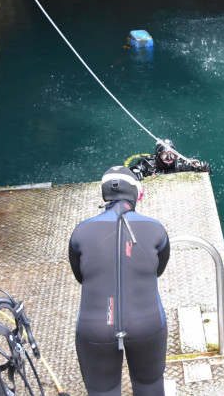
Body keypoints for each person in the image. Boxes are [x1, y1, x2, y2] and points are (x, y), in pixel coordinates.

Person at [68, 166, 170, 396]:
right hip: (147, 323)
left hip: (95, 326)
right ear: (135, 193)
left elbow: (80, 276)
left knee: (104, 390)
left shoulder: (81, 231)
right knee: (149, 385)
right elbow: (158, 270)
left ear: (105, 193)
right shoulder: (156, 229)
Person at [130, 138, 211, 179]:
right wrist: (135, 174)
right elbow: (129, 173)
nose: (169, 158)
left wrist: (203, 167)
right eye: (164, 154)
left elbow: (206, 171)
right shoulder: (148, 164)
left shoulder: (182, 163)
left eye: (171, 154)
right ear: (158, 155)